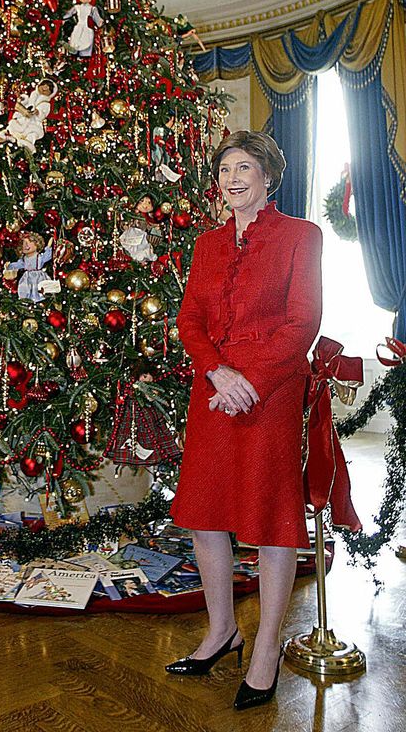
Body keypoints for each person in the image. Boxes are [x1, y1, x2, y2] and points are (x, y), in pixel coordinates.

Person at [165, 130, 324, 710]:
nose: (234, 178)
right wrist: (218, 374)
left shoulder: (302, 237)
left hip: (271, 392)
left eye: (245, 168)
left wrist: (248, 381)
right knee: (205, 514)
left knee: (270, 520)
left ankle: (266, 649)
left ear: (267, 177)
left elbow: (302, 322)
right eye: (227, 168)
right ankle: (221, 631)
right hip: (213, 393)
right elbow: (190, 322)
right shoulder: (206, 244)